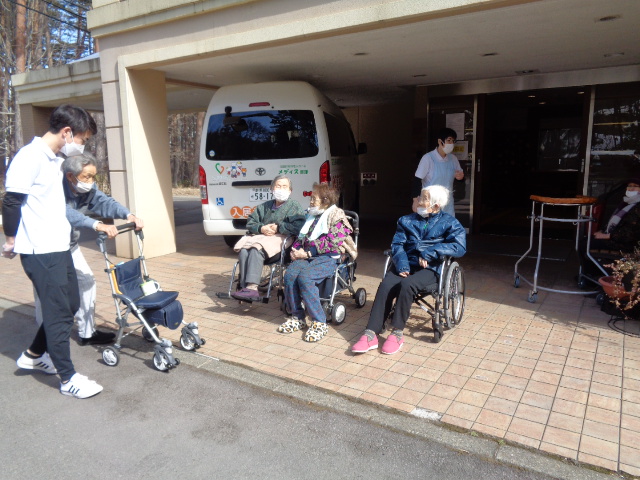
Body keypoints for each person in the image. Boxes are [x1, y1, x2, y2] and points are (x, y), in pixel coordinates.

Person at [2, 104, 103, 399]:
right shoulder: (30, 157)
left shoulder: (56, 159)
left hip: (59, 246)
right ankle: (68, 379)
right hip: (40, 250)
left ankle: (33, 355)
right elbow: (11, 201)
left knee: (70, 304)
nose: (82, 145)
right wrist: (11, 239)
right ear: (67, 132)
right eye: (82, 139)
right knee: (58, 313)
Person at [32, 153, 144, 345]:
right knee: (47, 291)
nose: (91, 181)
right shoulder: (53, 186)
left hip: (69, 245)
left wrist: (128, 215)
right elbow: (65, 212)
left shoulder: (87, 189)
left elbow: (104, 202)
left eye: (93, 176)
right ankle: (46, 338)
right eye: (87, 176)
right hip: (44, 247)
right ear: (70, 176)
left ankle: (87, 333)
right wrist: (97, 225)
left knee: (87, 281)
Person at [352, 185, 466, 355]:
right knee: (386, 285)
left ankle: (397, 333)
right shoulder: (406, 220)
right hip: (406, 264)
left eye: (424, 198)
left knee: (408, 284)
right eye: (420, 197)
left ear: (436, 205)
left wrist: (431, 252)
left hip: (432, 268)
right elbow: (397, 245)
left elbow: (459, 246)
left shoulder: (450, 223)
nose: (419, 201)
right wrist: (403, 265)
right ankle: (371, 333)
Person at [278, 183, 357, 342]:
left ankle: (319, 322)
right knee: (290, 275)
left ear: (325, 201)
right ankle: (297, 317)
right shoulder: (312, 216)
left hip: (328, 257)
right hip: (306, 256)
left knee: (306, 277)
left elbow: (333, 242)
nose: (311, 201)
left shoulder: (337, 216)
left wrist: (308, 252)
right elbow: (301, 237)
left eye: (314, 198)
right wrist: (295, 250)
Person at [231, 175, 305, 301]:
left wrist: (278, 228)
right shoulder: (264, 207)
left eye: (284, 187)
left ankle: (252, 288)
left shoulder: (294, 207)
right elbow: (250, 223)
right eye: (278, 186)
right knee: (244, 250)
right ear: (272, 189)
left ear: (290, 191)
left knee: (255, 250)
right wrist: (261, 228)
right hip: (263, 238)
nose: (281, 189)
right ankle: (244, 287)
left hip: (282, 244)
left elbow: (298, 226)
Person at [412, 127, 464, 217]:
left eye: (453, 141)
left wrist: (461, 177)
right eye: (449, 140)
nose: (451, 144)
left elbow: (460, 178)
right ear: (440, 141)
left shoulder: (453, 159)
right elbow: (417, 180)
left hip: (447, 205)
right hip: (429, 204)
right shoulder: (428, 158)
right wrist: (415, 201)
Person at [592, 177, 640, 254]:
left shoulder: (637, 207)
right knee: (587, 240)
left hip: (627, 245)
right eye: (629, 186)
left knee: (585, 245)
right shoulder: (626, 203)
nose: (631, 188)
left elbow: (631, 232)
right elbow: (615, 222)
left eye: (635, 186)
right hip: (616, 239)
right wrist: (603, 231)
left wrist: (607, 236)